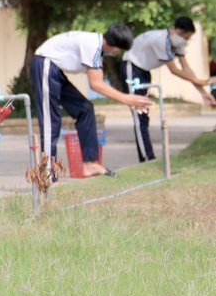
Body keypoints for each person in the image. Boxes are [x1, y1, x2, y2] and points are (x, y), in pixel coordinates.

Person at [30, 23, 153, 178]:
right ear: (115, 48)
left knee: (85, 109)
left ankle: (90, 164)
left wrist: (128, 99)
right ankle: (47, 176)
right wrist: (128, 99)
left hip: (55, 70)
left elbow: (97, 80)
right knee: (51, 122)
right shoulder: (93, 45)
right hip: (45, 65)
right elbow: (96, 84)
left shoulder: (96, 47)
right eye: (120, 50)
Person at [120, 16, 216, 162]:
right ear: (175, 29)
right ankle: (147, 158)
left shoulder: (177, 43)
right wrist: (201, 81)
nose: (185, 40)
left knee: (144, 114)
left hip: (145, 71)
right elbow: (174, 70)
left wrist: (202, 92)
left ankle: (148, 156)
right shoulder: (160, 40)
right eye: (185, 36)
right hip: (132, 68)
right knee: (139, 113)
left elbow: (186, 69)